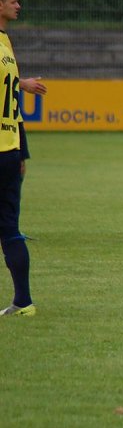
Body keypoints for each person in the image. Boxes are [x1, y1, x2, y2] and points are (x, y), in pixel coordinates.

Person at [0, 0, 48, 191]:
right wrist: (22, 83)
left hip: (11, 131)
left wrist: (21, 83)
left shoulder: (5, 40)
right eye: (14, 2)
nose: (19, 6)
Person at [0, 38, 35, 316]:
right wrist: (21, 149)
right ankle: (23, 301)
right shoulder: (5, 46)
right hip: (9, 148)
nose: (18, 5)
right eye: (13, 1)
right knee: (10, 229)